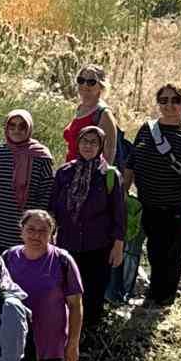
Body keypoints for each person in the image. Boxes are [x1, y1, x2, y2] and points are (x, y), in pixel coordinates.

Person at [124, 83, 181, 308]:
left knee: (172, 252)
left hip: (177, 206)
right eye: (164, 100)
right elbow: (131, 162)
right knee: (154, 249)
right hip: (148, 202)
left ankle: (165, 298)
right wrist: (123, 191)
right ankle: (154, 293)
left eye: (175, 100)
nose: (169, 105)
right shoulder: (147, 129)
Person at [4, 209, 82, 361]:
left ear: (52, 234)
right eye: (31, 229)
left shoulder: (62, 260)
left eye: (43, 231)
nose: (36, 235)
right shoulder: (9, 257)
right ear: (22, 231)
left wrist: (73, 342)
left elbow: (75, 305)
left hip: (50, 338)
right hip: (15, 337)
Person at [52, 124, 124, 338]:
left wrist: (118, 246)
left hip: (98, 245)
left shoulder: (109, 175)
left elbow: (118, 214)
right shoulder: (65, 172)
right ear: (78, 143)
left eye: (94, 142)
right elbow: (52, 208)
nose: (88, 146)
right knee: (66, 290)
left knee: (93, 292)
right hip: (68, 243)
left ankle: (89, 337)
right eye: (84, 141)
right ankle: (65, 335)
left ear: (101, 145)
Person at [0, 109, 55, 255]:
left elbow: (45, 195)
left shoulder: (41, 156)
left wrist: (36, 226)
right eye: (12, 125)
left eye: (22, 126)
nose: (16, 130)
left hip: (22, 231)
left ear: (29, 128)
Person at [63, 64, 119, 163]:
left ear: (101, 86)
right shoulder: (80, 108)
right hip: (70, 171)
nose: (85, 85)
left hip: (91, 174)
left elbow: (110, 153)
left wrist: (104, 177)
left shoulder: (104, 113)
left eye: (91, 82)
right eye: (81, 80)